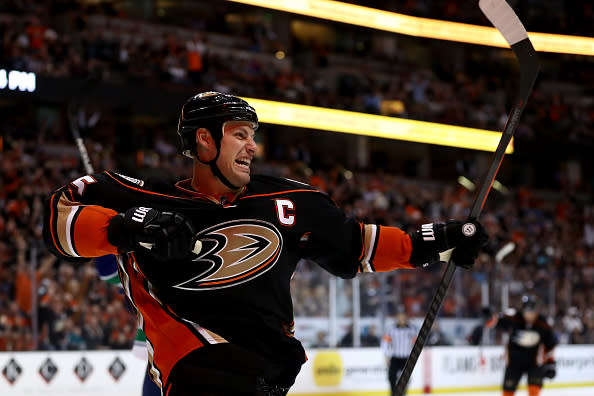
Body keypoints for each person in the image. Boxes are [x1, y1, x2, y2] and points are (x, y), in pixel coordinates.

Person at [42, 91, 488, 395]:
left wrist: (437, 241)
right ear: (204, 140)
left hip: (268, 374)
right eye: (240, 133)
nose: (252, 146)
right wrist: (125, 226)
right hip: (198, 368)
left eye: (253, 135)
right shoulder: (145, 197)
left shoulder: (289, 200)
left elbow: (356, 246)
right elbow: (60, 218)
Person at [491, 294, 558, 396]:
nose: (529, 315)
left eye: (531, 312)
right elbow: (495, 322)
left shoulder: (543, 324)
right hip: (514, 363)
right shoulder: (514, 318)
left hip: (534, 364)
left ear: (536, 311)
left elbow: (551, 345)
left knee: (534, 391)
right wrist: (489, 316)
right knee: (507, 392)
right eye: (526, 312)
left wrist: (551, 363)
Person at [381, 306, 417, 396]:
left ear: (406, 317)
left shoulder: (413, 329)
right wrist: (386, 355)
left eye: (403, 316)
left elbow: (416, 343)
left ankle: (402, 393)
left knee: (406, 379)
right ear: (397, 317)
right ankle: (393, 393)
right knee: (391, 376)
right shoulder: (391, 329)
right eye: (400, 316)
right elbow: (385, 342)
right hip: (395, 357)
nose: (402, 318)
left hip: (407, 358)